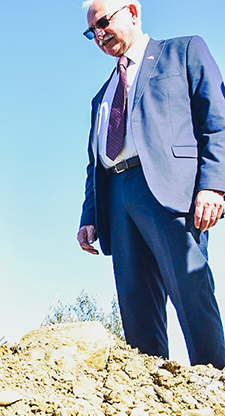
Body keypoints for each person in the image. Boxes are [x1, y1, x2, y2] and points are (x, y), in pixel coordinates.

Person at [77, 0, 225, 367]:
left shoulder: (183, 51)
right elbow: (95, 160)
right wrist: (89, 214)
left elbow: (216, 120)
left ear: (132, 11)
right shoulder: (101, 95)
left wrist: (213, 185)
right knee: (135, 301)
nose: (99, 34)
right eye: (91, 31)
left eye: (104, 22)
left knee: (191, 291)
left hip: (171, 190)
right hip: (117, 196)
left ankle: (215, 386)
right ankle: (151, 393)